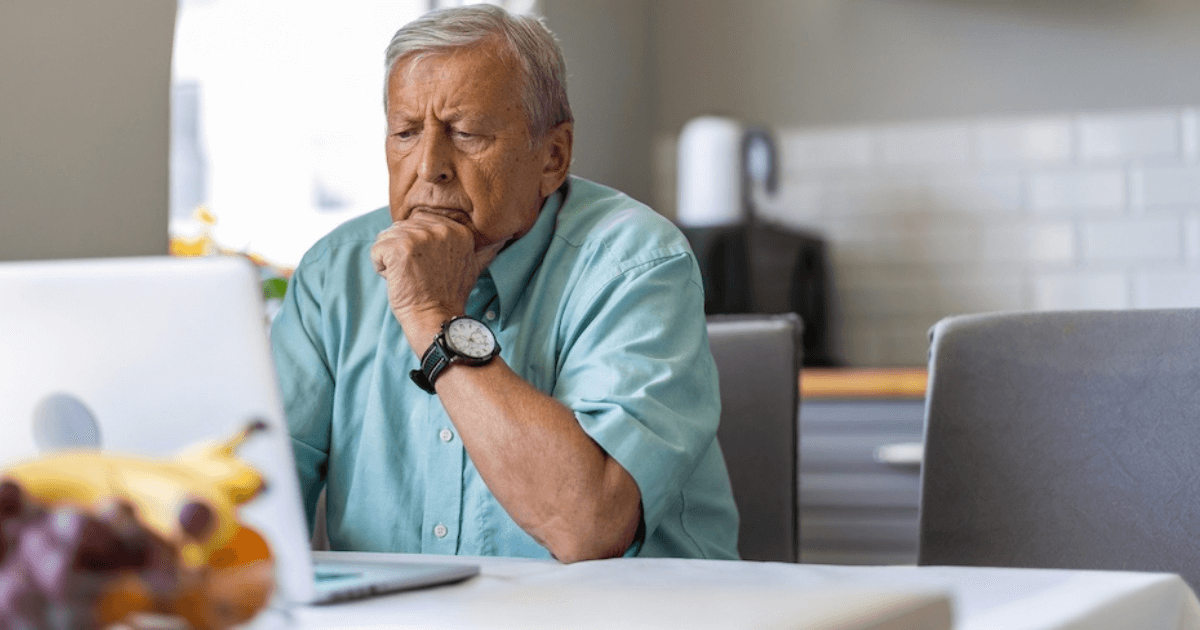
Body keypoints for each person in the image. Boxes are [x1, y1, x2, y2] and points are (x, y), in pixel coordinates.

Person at [270, 4, 738, 563]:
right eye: (406, 132)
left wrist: (434, 319)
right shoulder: (334, 273)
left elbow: (587, 527)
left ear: (553, 156)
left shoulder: (637, 263)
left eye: (466, 134)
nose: (429, 167)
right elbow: (251, 503)